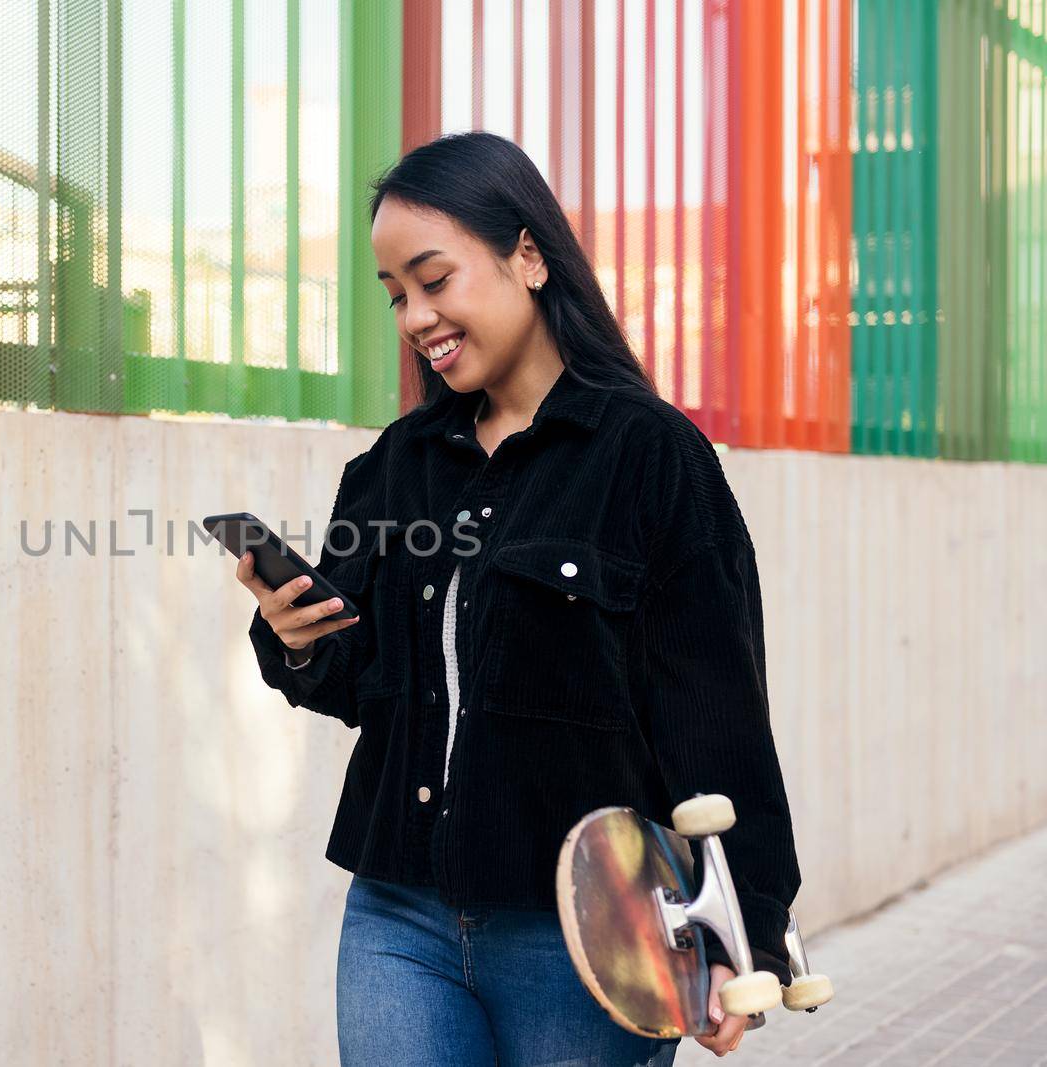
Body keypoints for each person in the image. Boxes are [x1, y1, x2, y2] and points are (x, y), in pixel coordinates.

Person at [234, 131, 802, 1066]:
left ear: (528, 256)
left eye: (435, 279)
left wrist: (751, 932)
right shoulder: (395, 467)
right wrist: (297, 637)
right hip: (397, 918)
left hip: (587, 936)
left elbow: (717, 712)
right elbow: (356, 677)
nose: (416, 316)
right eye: (395, 296)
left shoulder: (651, 459)